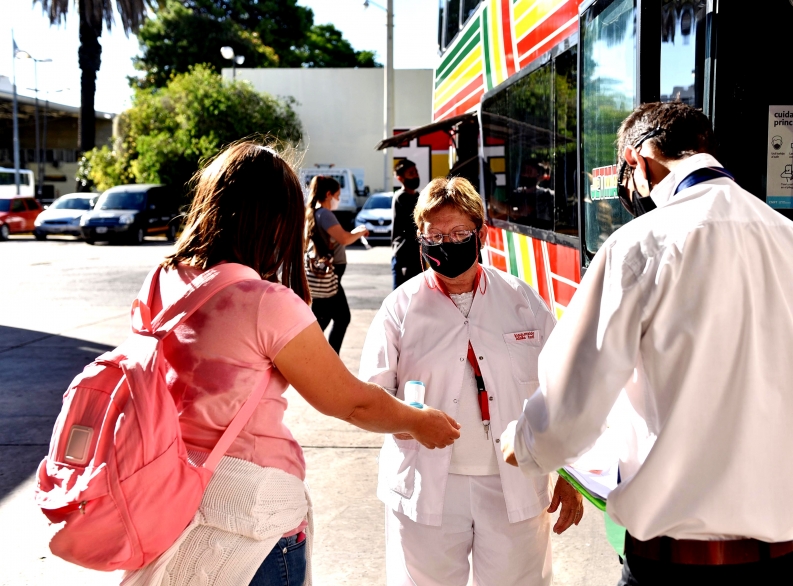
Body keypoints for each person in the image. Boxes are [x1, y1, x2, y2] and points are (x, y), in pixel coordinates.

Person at [500, 101, 793, 585]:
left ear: (638, 159)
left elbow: (569, 404)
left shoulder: (639, 245)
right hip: (790, 565)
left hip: (676, 568)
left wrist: (525, 443)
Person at [128, 142, 460, 586]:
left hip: (167, 500)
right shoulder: (264, 302)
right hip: (250, 525)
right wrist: (417, 421)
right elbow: (349, 402)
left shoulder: (164, 277)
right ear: (275, 219)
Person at [360, 177, 583, 586]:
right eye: (435, 235)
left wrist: (569, 475)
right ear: (421, 241)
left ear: (480, 233)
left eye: (459, 233)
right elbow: (368, 399)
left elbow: (563, 390)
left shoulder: (521, 300)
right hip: (426, 488)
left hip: (514, 483)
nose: (447, 243)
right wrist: (411, 421)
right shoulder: (400, 308)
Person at [306, 175, 368, 354]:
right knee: (341, 318)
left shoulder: (313, 212)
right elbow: (344, 238)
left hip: (322, 273)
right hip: (329, 274)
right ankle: (327, 359)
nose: (338, 200)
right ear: (328, 194)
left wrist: (354, 232)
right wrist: (361, 231)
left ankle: (314, 356)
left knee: (322, 318)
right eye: (338, 196)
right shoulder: (325, 214)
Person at [390, 158, 423, 289]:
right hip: (403, 255)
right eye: (411, 173)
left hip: (417, 255)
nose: (415, 175)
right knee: (401, 299)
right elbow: (411, 226)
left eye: (416, 172)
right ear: (400, 178)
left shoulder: (419, 196)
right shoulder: (401, 198)